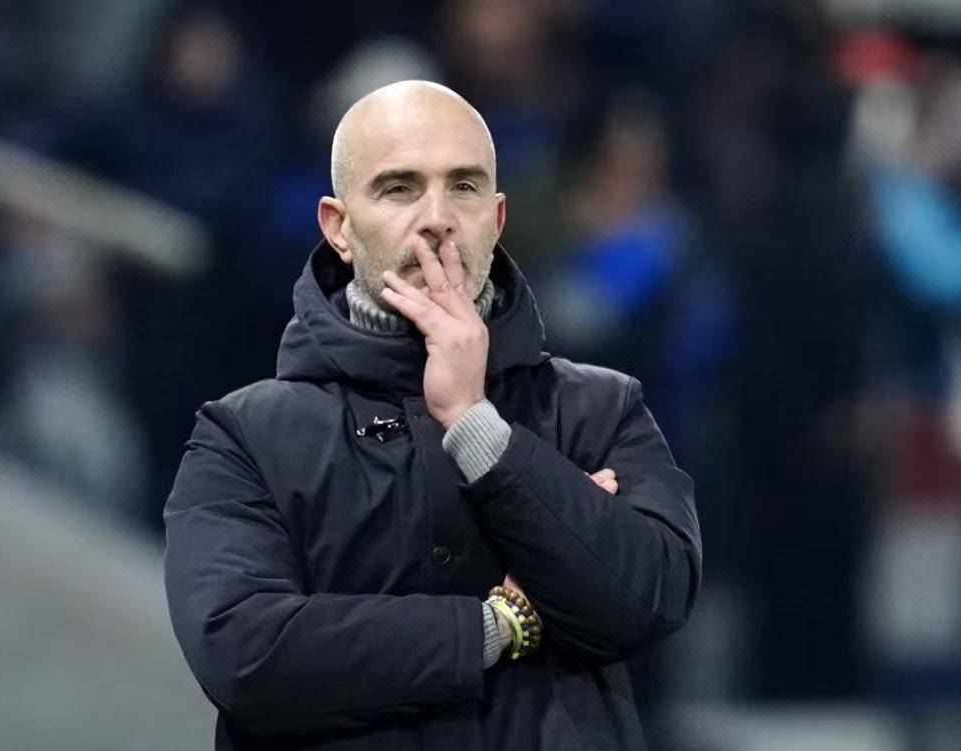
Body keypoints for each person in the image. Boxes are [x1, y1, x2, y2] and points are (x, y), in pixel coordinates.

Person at [163, 80, 701, 751]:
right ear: (338, 228)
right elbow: (248, 656)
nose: (437, 217)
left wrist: (477, 426)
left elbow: (649, 600)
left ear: (496, 219)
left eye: (464, 187)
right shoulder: (245, 436)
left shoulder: (600, 408)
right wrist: (498, 625)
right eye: (399, 188)